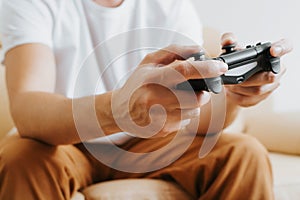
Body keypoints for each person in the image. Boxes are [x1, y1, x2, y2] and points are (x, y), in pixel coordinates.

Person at [0, 0, 292, 199]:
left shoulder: (169, 5)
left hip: (151, 141)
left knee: (242, 153)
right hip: (64, 142)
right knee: (21, 159)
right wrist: (120, 110)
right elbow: (28, 109)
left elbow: (197, 118)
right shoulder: (33, 4)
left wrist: (230, 94)